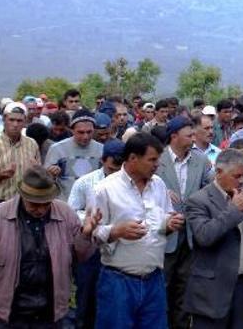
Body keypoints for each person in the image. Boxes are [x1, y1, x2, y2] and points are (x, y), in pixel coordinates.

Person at [0, 165, 99, 328]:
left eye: (46, 203)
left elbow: (81, 256)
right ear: (22, 195)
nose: (41, 209)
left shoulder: (66, 214)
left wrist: (85, 236)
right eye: (35, 204)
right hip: (8, 313)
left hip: (51, 313)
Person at [92, 133, 185, 328]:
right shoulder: (105, 189)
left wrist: (168, 224)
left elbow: (164, 219)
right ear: (133, 158)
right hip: (118, 282)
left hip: (154, 280)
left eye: (157, 159)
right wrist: (116, 231)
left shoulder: (158, 185)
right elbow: (92, 234)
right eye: (152, 159)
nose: (157, 164)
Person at [183, 149, 243, 329]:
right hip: (211, 291)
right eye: (237, 176)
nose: (241, 181)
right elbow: (204, 236)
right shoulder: (198, 200)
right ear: (218, 172)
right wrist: (234, 209)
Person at [153, 116, 213, 329]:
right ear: (174, 136)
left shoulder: (201, 160)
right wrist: (160, 190)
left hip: (190, 236)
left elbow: (210, 190)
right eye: (189, 135)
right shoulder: (157, 160)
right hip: (164, 235)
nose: (194, 138)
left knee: (184, 290)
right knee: (161, 288)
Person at [66, 139, 125, 329]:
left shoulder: (131, 184)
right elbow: (71, 211)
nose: (115, 173)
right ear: (102, 161)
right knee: (87, 295)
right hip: (91, 248)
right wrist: (89, 220)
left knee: (115, 297)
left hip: (120, 247)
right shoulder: (85, 183)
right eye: (111, 168)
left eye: (119, 168)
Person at [0, 102, 41, 206]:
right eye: (11, 120)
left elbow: (39, 174)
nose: (15, 124)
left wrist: (37, 171)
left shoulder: (32, 144)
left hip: (24, 202)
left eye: (19, 121)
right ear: (4, 120)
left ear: (25, 122)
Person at [44, 110, 103, 201]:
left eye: (89, 132)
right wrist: (51, 174)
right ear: (72, 130)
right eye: (81, 132)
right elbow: (45, 179)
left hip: (92, 205)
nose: (85, 137)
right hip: (65, 205)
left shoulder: (101, 150)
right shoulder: (57, 149)